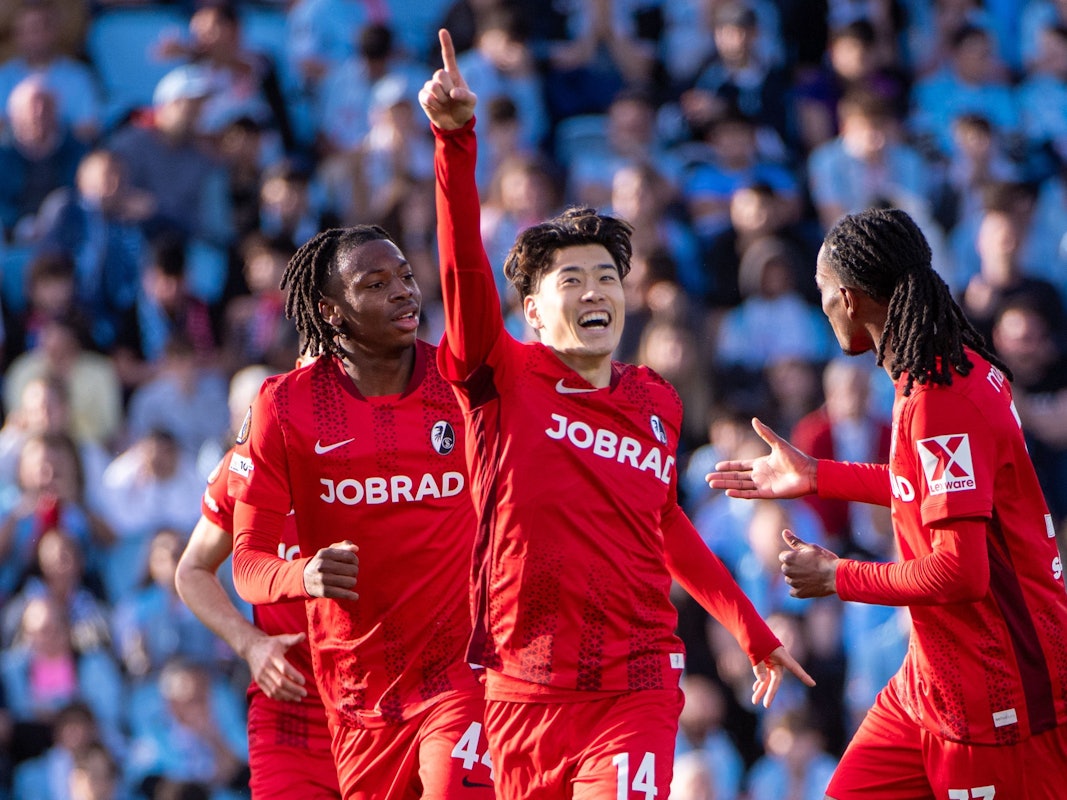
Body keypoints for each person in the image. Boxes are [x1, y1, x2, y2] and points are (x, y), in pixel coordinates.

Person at [419, 29, 813, 798]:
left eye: (607, 276)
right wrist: (454, 142)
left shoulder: (654, 398)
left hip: (634, 679)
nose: (595, 290)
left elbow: (662, 525)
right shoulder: (497, 372)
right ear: (532, 311)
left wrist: (748, 628)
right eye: (572, 279)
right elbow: (463, 265)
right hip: (521, 683)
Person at [708, 207, 1067, 798]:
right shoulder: (939, 370)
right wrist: (818, 475)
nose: (821, 309)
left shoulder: (938, 396)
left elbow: (962, 570)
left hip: (998, 692)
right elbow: (923, 486)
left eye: (822, 295)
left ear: (849, 299)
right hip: (933, 677)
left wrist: (837, 576)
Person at [228, 225, 493, 799]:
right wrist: (304, 574)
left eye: (405, 277)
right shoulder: (286, 405)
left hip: (461, 677)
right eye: (376, 284)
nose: (403, 292)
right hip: (356, 695)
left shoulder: (463, 383)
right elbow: (246, 564)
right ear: (331, 311)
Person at [176, 440, 340, 800]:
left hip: (390, 706)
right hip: (291, 709)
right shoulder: (250, 461)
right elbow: (192, 570)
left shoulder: (392, 447)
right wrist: (250, 644)